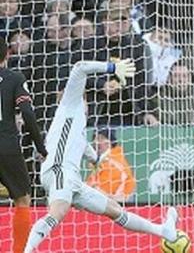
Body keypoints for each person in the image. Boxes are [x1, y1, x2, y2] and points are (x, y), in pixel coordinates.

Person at [23, 60, 180, 253]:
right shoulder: (69, 105)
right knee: (58, 211)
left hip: (71, 179)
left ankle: (163, 230)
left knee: (115, 211)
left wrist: (96, 159)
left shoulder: (76, 126)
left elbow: (82, 146)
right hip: (60, 171)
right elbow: (80, 67)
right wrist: (112, 68)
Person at [0, 37, 47, 253]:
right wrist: (40, 147)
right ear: (8, 54)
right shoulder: (14, 78)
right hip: (6, 146)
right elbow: (27, 113)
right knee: (23, 198)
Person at [85, 127, 136, 203]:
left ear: (110, 142)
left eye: (100, 139)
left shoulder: (114, 162)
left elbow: (104, 192)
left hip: (117, 204)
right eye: (94, 138)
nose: (95, 142)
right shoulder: (103, 160)